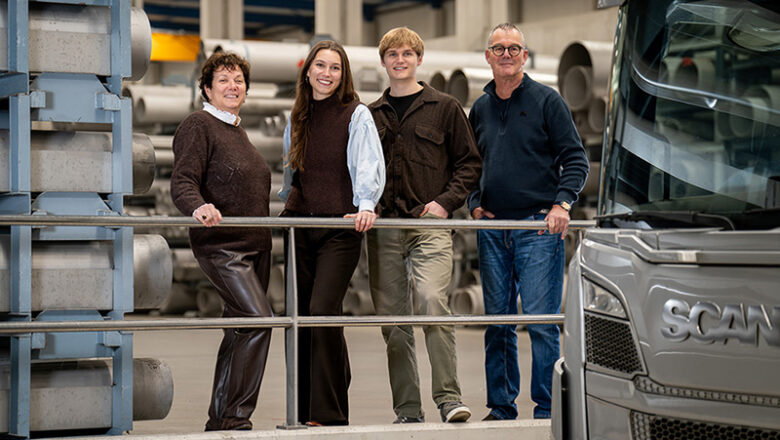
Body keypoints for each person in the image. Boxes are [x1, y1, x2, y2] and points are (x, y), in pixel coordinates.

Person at [467, 23, 589, 420]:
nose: (506, 54)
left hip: (538, 227)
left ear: (524, 55)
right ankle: (501, 408)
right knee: (497, 325)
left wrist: (563, 205)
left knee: (540, 324)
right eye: (498, 48)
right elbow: (469, 166)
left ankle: (547, 409)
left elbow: (576, 159)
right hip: (493, 229)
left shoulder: (547, 101)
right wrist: (473, 203)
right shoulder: (480, 108)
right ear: (487, 56)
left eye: (514, 48)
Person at [367, 27, 482, 424]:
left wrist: (446, 204)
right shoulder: (370, 115)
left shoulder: (446, 107)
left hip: (429, 224)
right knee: (394, 323)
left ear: (419, 59)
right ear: (383, 62)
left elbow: (469, 163)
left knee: (433, 303)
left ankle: (449, 399)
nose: (400, 60)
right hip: (384, 229)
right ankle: (408, 411)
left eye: (407, 53)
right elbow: (359, 170)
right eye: (392, 54)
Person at [279, 39, 385, 426]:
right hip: (301, 226)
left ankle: (329, 413)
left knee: (322, 312)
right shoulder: (298, 117)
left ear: (344, 75)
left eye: (335, 67)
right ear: (307, 71)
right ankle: (306, 408)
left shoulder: (355, 114)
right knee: (301, 315)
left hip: (341, 228)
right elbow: (293, 171)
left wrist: (366, 204)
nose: (326, 73)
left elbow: (368, 164)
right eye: (320, 65)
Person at [170, 51, 273, 431]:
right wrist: (198, 207)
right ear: (207, 88)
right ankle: (236, 418)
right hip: (224, 246)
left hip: (257, 247)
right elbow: (183, 180)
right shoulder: (199, 124)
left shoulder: (237, 130)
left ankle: (221, 418)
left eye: (239, 80)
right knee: (260, 321)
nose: (233, 86)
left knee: (240, 329)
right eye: (224, 80)